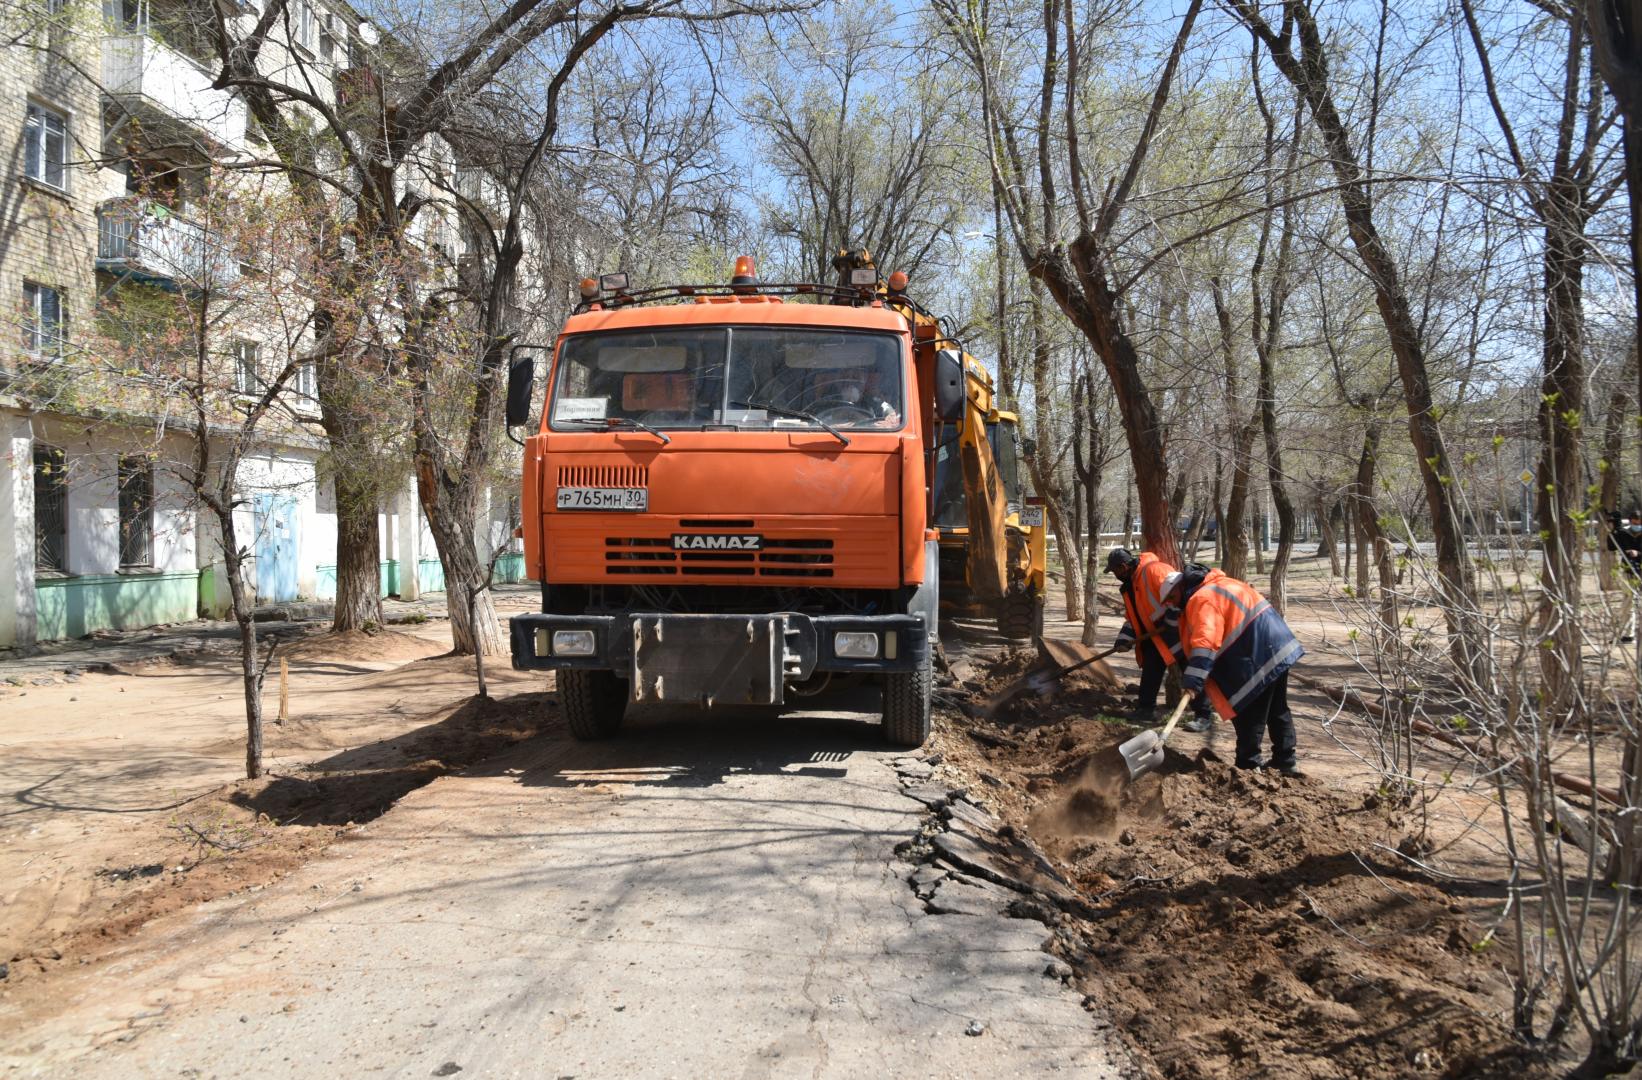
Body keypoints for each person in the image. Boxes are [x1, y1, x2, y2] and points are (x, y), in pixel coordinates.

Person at [1165, 565, 1304, 776]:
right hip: (1277, 647)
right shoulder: (1220, 584)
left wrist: (1193, 679)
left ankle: (1248, 765)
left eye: (1171, 597)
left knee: (1249, 712)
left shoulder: (1202, 599)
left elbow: (1205, 642)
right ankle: (1285, 760)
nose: (1170, 603)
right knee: (1277, 709)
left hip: (1256, 654)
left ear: (1182, 586)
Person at [1105, 548, 1215, 733]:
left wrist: (1170, 621)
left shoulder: (1155, 570)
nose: (1115, 575)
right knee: (1151, 671)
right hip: (1155, 637)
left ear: (1123, 567)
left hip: (1176, 633)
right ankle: (1146, 709)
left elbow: (1176, 593)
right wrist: (1124, 638)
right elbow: (1134, 617)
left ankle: (1204, 715)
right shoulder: (1130, 585)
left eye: (1115, 571)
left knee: (1191, 671)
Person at [1609, 510, 1642, 642]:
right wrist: (1614, 529)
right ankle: (1628, 634)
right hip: (1628, 571)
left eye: (1639, 523)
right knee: (1628, 601)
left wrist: (1638, 554)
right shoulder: (1623, 533)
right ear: (1630, 521)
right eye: (1635, 523)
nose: (1637, 525)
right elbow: (1611, 546)